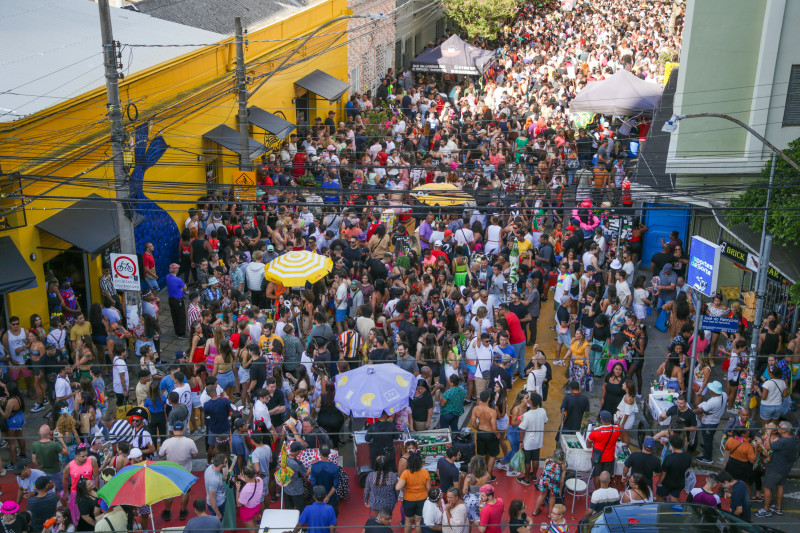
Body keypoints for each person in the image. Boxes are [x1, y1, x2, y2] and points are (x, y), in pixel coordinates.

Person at [756, 421, 800, 518]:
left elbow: (767, 446)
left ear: (784, 430)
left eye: (779, 426)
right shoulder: (793, 439)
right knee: (780, 486)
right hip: (785, 468)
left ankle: (766, 509)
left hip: (775, 468)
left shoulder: (782, 441)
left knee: (767, 487)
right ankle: (778, 507)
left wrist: (768, 433)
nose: (777, 427)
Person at [158, 421, 198, 522]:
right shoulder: (189, 442)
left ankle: (167, 511)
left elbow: (160, 455)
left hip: (171, 471)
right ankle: (183, 511)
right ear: (183, 429)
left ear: (173, 430)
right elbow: (196, 454)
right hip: (185, 471)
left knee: (170, 493)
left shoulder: (167, 442)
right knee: (185, 491)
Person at [693, 381, 728, 465]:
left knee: (707, 438)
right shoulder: (724, 394)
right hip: (716, 421)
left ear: (714, 391)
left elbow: (701, 410)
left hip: (709, 422)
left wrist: (690, 411)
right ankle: (707, 447)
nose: (709, 389)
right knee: (710, 437)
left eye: (711, 388)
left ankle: (707, 457)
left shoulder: (713, 402)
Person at [395, 451, 431, 533]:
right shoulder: (425, 472)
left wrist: (403, 488)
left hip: (409, 500)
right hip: (422, 499)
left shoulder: (406, 473)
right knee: (418, 521)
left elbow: (397, 487)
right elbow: (428, 488)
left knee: (408, 521)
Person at [518, 392, 547, 486]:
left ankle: (526, 478)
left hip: (528, 442)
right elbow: (545, 421)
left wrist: (521, 442)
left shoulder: (527, 415)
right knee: (535, 459)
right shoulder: (542, 411)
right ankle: (534, 475)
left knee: (527, 460)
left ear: (530, 402)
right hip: (538, 441)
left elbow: (522, 429)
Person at [587, 410, 620, 489]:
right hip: (609, 457)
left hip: (598, 457)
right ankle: (605, 490)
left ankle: (597, 491)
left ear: (601, 420)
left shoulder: (596, 431)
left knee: (597, 475)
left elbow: (588, 444)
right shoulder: (617, 429)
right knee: (606, 475)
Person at [470, 390, 500, 476]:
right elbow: (494, 427)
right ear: (489, 398)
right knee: (492, 455)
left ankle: (479, 473)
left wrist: (479, 429)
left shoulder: (476, 409)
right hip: (490, 434)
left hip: (481, 432)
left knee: (480, 454)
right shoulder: (492, 412)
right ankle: (488, 475)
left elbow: (472, 423)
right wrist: (497, 435)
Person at [656, 434, 692, 502]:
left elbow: (663, 473)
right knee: (674, 498)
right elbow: (688, 466)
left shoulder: (669, 458)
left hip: (667, 483)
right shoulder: (688, 456)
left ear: (672, 445)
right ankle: (672, 510)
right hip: (679, 482)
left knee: (659, 496)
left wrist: (659, 483)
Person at [309, 445, 340, 515]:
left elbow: (313, 484)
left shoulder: (314, 466)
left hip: (318, 496)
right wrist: (327, 497)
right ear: (329, 453)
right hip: (331, 497)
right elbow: (336, 484)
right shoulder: (334, 467)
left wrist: (320, 496)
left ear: (320, 454)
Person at [204, 453, 227, 520]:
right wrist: (218, 513)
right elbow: (212, 499)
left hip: (218, 502)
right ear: (220, 465)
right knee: (217, 524)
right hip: (218, 504)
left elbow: (219, 478)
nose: (226, 463)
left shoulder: (210, 467)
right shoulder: (214, 480)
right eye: (225, 462)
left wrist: (225, 478)